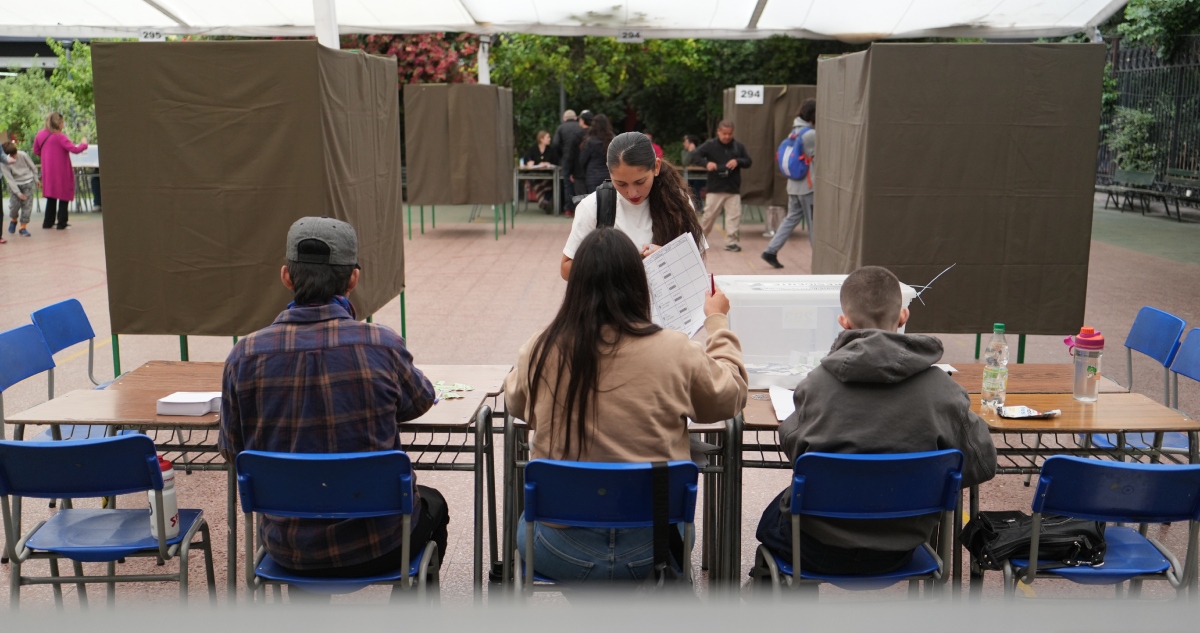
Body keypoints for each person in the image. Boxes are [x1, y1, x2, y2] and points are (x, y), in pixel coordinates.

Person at [218, 216, 449, 599]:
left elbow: (232, 449)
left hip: (289, 549)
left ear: (286, 277)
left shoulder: (244, 356)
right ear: (353, 279)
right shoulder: (382, 345)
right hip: (379, 544)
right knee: (433, 506)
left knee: (302, 511)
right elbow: (420, 400)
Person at [506, 227, 748, 583]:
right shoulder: (676, 350)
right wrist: (718, 323)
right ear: (639, 283)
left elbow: (517, 403)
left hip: (559, 548)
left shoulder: (540, 348)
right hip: (654, 547)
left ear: (576, 286)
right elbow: (730, 397)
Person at [755, 266, 997, 576]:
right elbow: (982, 463)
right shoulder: (944, 391)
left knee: (775, 515)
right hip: (904, 548)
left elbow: (796, 450)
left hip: (817, 549)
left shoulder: (816, 385)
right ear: (903, 316)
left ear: (844, 322)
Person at [560, 132, 706, 281]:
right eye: (621, 183)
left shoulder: (678, 202)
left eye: (640, 182)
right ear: (609, 172)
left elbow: (697, 264)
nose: (632, 192)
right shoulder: (593, 206)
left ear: (656, 167)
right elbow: (566, 268)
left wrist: (666, 258)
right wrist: (612, 265)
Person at [762, 99, 817, 269]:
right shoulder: (811, 135)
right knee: (815, 225)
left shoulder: (793, 132)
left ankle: (770, 250)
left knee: (790, 219)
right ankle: (819, 261)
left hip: (793, 185)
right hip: (808, 187)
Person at [693, 121, 751, 252]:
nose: (727, 136)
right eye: (724, 133)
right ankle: (700, 240)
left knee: (734, 216)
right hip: (715, 187)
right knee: (709, 215)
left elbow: (748, 161)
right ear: (718, 131)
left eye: (730, 133)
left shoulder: (738, 146)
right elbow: (695, 156)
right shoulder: (710, 145)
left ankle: (731, 242)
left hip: (733, 188)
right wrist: (706, 163)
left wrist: (738, 161)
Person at [32, 112, 88, 231]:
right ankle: (62, 222)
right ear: (59, 123)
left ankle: (48, 222)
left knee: (51, 196)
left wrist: (47, 156)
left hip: (48, 170)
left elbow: (36, 150)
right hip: (62, 170)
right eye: (62, 122)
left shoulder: (40, 134)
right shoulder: (60, 136)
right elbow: (74, 149)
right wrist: (84, 144)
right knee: (64, 195)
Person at [2, 142, 38, 239]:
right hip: (15, 184)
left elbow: (33, 167)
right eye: (12, 156)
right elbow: (9, 178)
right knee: (14, 205)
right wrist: (17, 193)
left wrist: (36, 179)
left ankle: (23, 227)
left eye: (15, 154)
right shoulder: (3, 163)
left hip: (28, 182)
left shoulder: (22, 155)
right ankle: (14, 220)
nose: (15, 157)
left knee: (27, 206)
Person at [551, 110, 584, 213]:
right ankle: (580, 207)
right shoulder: (580, 126)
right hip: (580, 158)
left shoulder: (561, 128)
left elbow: (555, 143)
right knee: (580, 182)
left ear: (564, 118)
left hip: (566, 158)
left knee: (567, 184)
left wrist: (561, 155)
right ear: (575, 118)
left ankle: (569, 208)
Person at [522, 130, 561, 212]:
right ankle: (545, 201)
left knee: (551, 183)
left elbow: (556, 161)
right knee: (537, 182)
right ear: (541, 139)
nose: (549, 139)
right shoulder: (533, 149)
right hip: (535, 174)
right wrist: (531, 162)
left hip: (548, 175)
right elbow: (527, 159)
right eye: (547, 137)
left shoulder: (551, 150)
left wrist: (548, 163)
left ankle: (544, 201)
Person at [577, 113, 615, 194]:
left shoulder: (589, 141)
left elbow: (582, 160)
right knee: (607, 202)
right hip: (609, 175)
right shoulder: (612, 139)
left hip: (592, 176)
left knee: (594, 203)